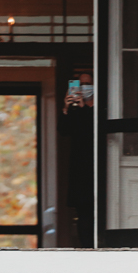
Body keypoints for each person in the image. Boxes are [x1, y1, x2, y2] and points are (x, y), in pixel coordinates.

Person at [58, 72, 94, 247]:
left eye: (88, 84)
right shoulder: (75, 110)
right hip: (80, 167)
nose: (84, 88)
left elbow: (92, 130)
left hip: (96, 165)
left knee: (97, 211)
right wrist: (66, 108)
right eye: (80, 85)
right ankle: (85, 248)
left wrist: (84, 108)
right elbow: (64, 131)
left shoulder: (100, 108)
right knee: (83, 212)